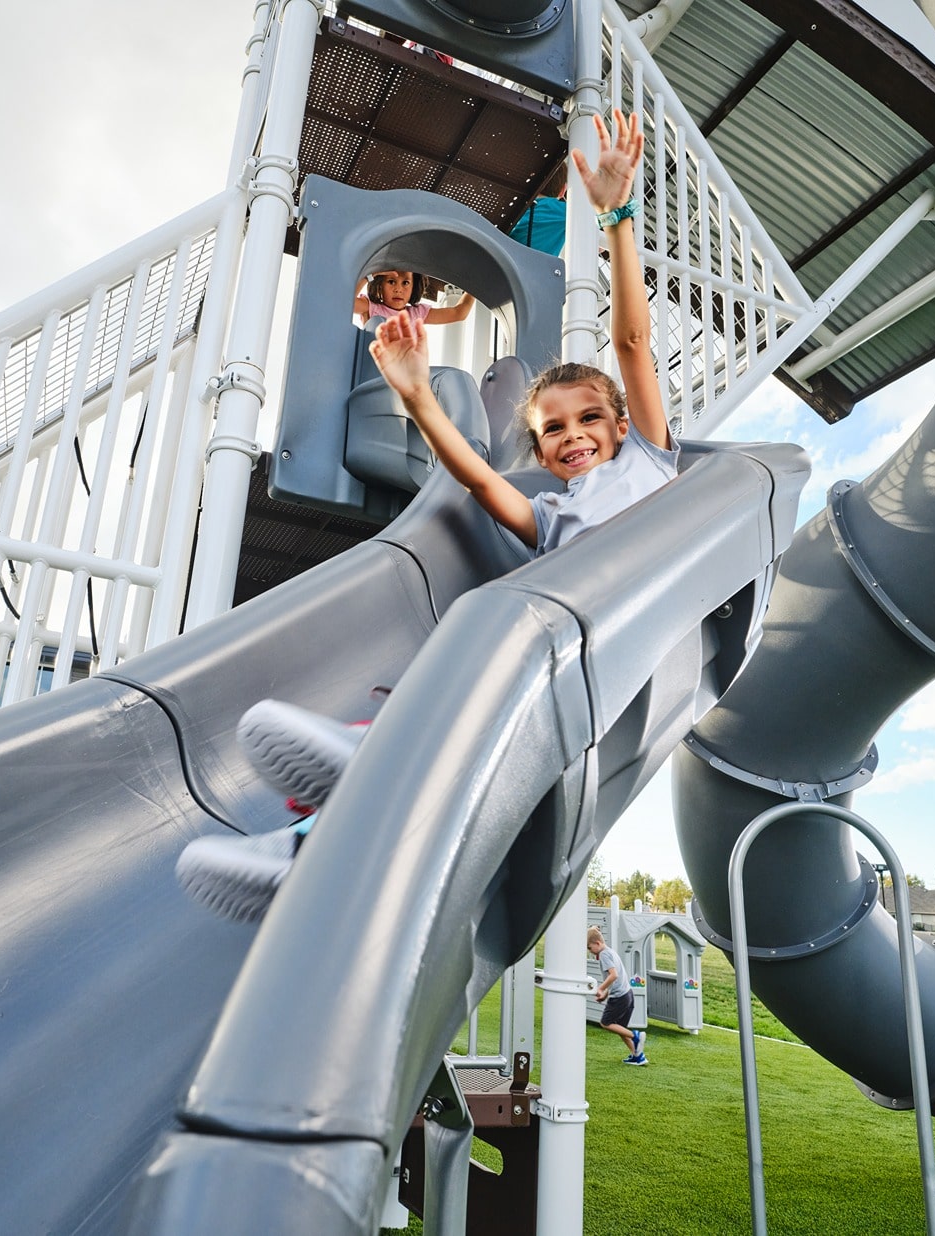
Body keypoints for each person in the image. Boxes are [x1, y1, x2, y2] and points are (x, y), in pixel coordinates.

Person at [178, 109, 675, 923]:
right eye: (553, 429)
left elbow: (628, 340)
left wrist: (617, 217)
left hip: (613, 641)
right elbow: (481, 482)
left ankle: (374, 752)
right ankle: (299, 853)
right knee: (469, 647)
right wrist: (413, 390)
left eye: (588, 419)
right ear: (544, 452)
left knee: (484, 656)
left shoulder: (651, 461)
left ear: (621, 423)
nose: (573, 436)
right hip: (553, 643)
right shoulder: (553, 522)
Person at [589, 926, 646, 1063]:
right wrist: (606, 994)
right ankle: (637, 1056)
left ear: (597, 943)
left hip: (620, 997)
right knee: (621, 1029)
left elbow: (614, 975)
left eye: (589, 948)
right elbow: (618, 978)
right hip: (627, 994)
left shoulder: (604, 954)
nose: (590, 952)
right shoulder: (610, 952)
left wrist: (601, 989)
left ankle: (635, 1036)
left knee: (605, 1023)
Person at [355, 270, 475, 330]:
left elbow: (459, 313)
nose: (398, 289)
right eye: (391, 282)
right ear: (380, 284)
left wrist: (477, 284)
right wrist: (369, 275)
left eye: (405, 283)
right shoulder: (372, 307)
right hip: (376, 371)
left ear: (413, 287)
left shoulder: (416, 314)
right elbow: (343, 302)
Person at [508, 162, 569, 256]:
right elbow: (597, 221)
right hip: (533, 268)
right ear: (563, 190)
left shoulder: (512, 206)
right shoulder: (563, 211)